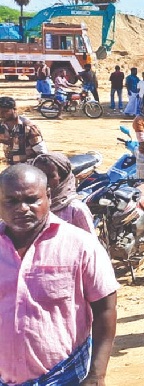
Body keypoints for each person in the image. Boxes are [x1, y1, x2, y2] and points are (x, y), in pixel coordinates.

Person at [0, 164, 118, 386]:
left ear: (48, 197)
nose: (23, 208)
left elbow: (106, 309)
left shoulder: (81, 245)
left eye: (32, 199)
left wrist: (96, 375)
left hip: (65, 375)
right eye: (12, 201)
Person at [28, 152, 96, 234]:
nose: (43, 180)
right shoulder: (29, 205)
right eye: (39, 175)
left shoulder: (75, 210)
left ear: (62, 177)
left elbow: (90, 243)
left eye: (50, 176)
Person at [0, 96, 47, 164]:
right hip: (13, 167)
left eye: (5, 111)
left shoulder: (28, 127)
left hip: (30, 166)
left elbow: (42, 153)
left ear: (15, 109)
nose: (1, 114)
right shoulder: (2, 126)